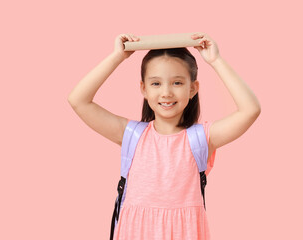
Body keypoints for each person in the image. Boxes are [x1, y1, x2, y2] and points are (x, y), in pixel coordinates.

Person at [68, 32, 261, 239]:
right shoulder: (132, 135)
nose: (166, 92)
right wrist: (117, 57)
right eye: (156, 83)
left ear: (193, 88)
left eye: (177, 83)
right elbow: (78, 100)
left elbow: (250, 110)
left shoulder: (201, 138)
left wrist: (216, 61)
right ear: (143, 88)